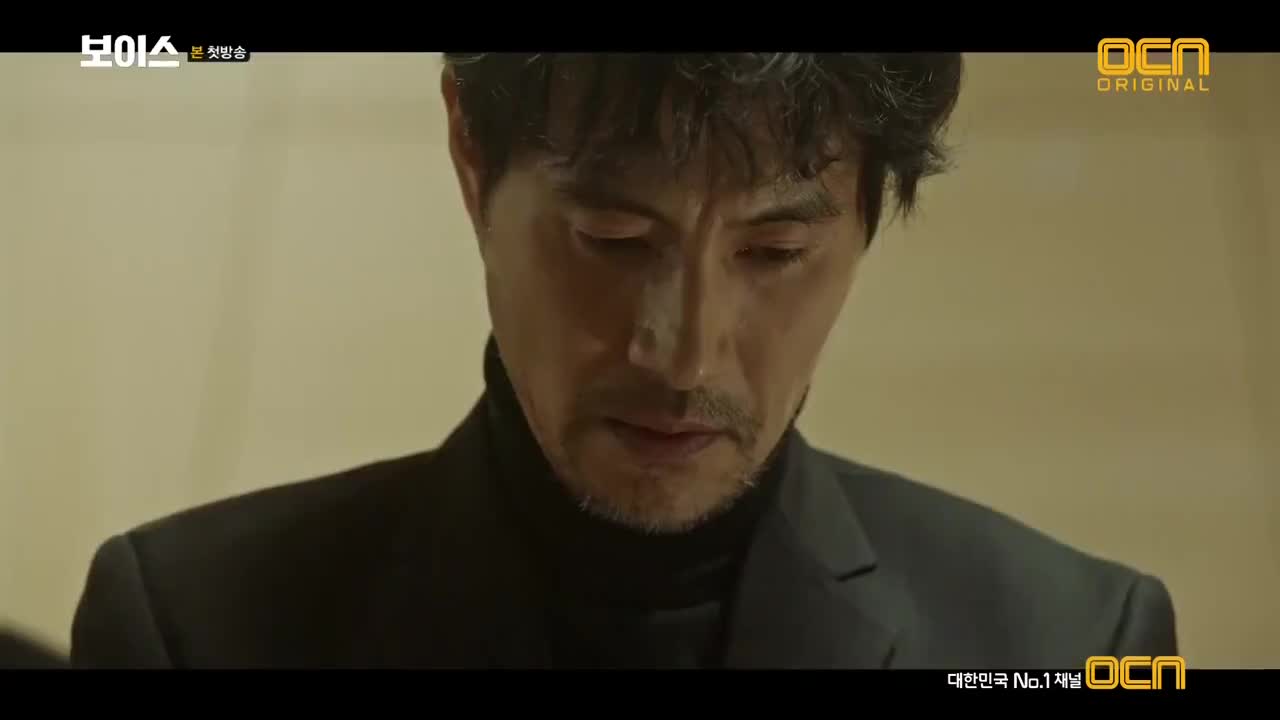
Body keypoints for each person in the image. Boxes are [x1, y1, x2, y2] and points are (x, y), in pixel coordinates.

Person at [70, 53, 1178, 669]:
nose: (685, 352)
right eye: (615, 239)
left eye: (774, 253)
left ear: (866, 222)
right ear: (470, 157)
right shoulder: (190, 632)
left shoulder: (1077, 645)